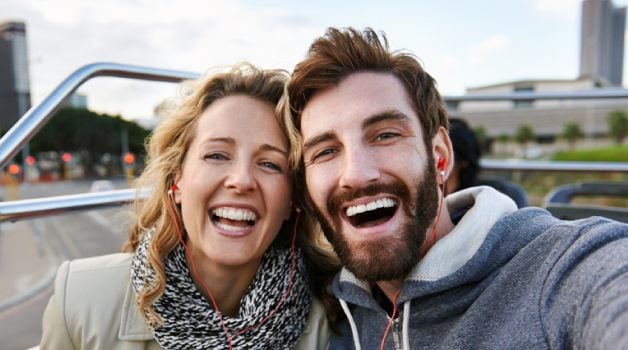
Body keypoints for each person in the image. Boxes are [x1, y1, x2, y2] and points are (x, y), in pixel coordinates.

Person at [287, 27, 628, 349]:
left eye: (386, 135)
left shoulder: (560, 267)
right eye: (326, 151)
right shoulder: (333, 309)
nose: (357, 174)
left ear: (439, 157)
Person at [39, 63, 340, 349]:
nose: (241, 180)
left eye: (270, 164)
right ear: (177, 180)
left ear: (292, 201)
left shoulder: (334, 316)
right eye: (217, 155)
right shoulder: (79, 301)